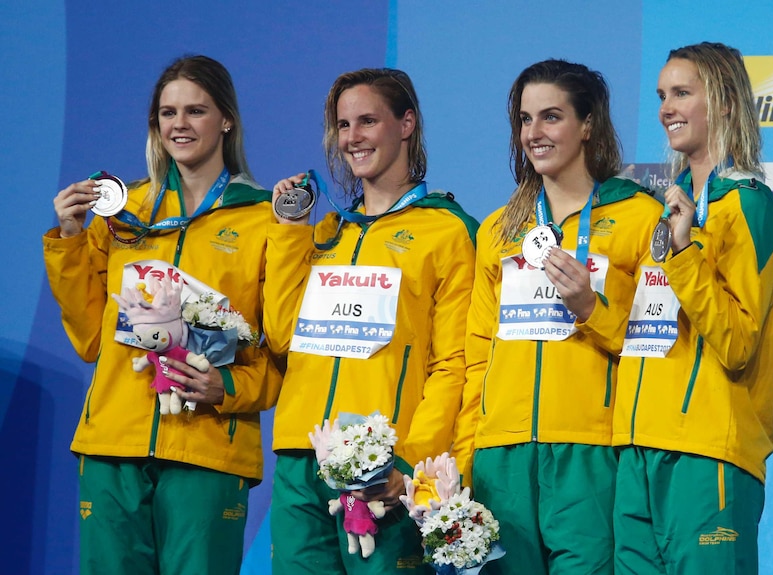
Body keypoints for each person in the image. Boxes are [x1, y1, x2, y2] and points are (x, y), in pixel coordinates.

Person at [43, 55, 281, 575]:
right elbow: (89, 339)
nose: (179, 124)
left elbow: (280, 352)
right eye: (166, 113)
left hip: (207, 447)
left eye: (195, 110)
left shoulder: (264, 219)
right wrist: (68, 239)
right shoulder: (122, 215)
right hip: (113, 443)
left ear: (226, 120)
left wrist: (229, 388)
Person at [451, 59, 663, 574]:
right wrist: (465, 458)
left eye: (551, 117)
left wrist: (593, 309)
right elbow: (478, 354)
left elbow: (656, 347)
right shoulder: (501, 229)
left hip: (591, 451)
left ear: (588, 125)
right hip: (500, 454)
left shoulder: (640, 216)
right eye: (525, 120)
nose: (534, 133)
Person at [263, 68, 478, 574]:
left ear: (406, 124)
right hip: (302, 456)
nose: (352, 138)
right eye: (343, 125)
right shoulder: (326, 233)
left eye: (367, 121)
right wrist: (292, 232)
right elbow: (279, 332)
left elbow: (453, 366)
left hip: (381, 470)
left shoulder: (447, 232)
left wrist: (409, 462)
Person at [612, 42, 773, 575]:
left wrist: (685, 252)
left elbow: (738, 343)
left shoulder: (751, 208)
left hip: (707, 453)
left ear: (723, 103)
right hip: (637, 447)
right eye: (661, 95)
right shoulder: (662, 212)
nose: (665, 108)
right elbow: (644, 329)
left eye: (681, 93)